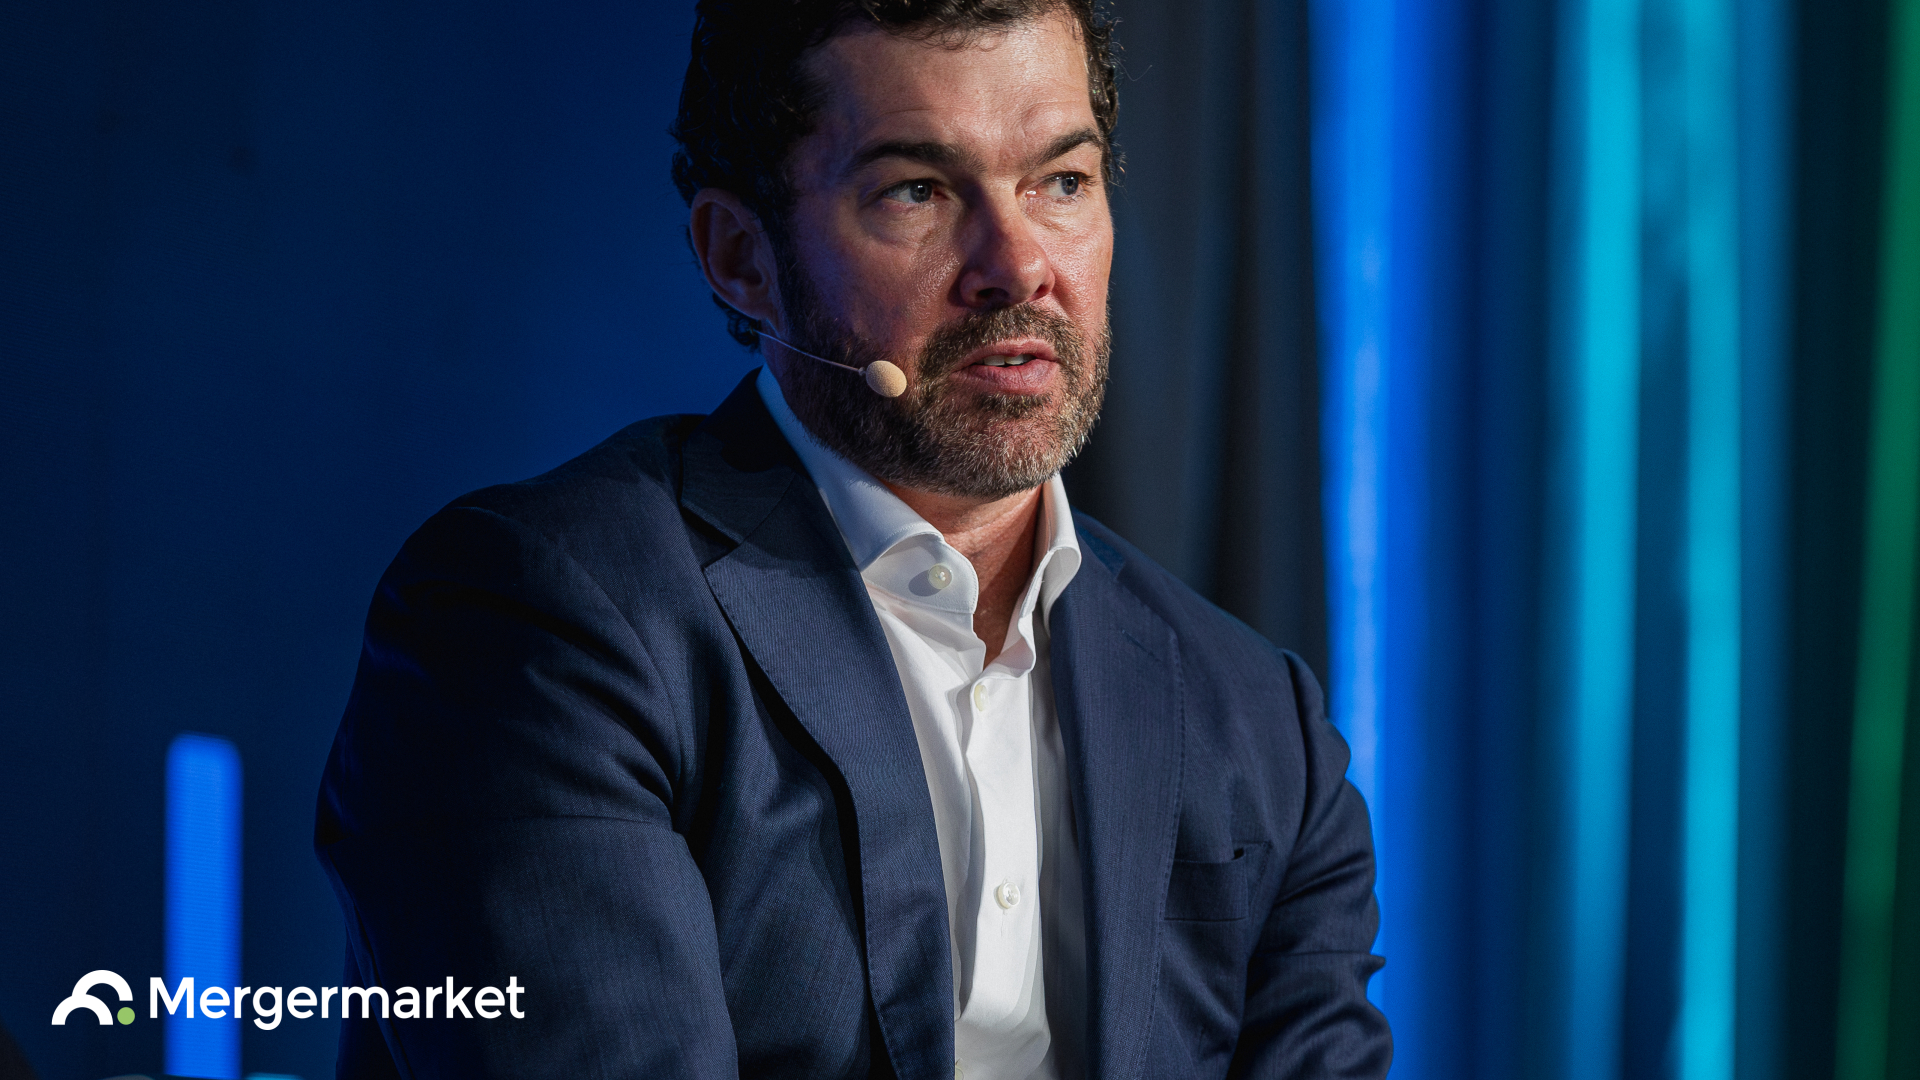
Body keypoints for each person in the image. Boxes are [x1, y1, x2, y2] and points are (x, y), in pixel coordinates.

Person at [313, 0, 1391, 1076]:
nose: (1018, 264)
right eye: (917, 190)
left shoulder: (1259, 718)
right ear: (741, 258)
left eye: (1061, 182)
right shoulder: (541, 617)